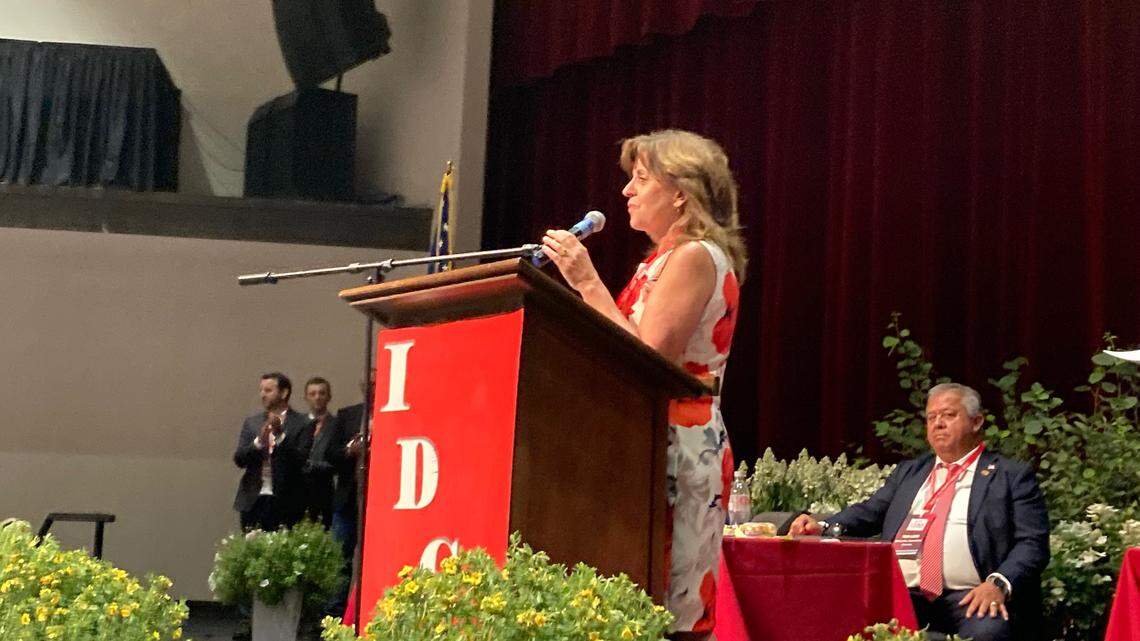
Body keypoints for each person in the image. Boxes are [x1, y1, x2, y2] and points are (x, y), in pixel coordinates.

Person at [542, 129, 746, 639]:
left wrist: (587, 283)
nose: (626, 192)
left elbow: (648, 360)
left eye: (640, 179)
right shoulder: (659, 261)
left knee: (668, 615)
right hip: (643, 440)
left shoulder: (695, 256)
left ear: (680, 191)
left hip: (678, 442)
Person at [788, 383, 1050, 641]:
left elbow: (1032, 544)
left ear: (977, 421)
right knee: (840, 621)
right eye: (931, 417)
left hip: (972, 594)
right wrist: (822, 526)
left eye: (949, 415)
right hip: (905, 594)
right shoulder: (911, 473)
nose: (938, 424)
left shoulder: (1010, 476)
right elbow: (870, 511)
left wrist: (998, 583)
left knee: (987, 633)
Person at [231, 372, 314, 531]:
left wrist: (280, 435)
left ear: (284, 393)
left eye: (268, 391)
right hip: (253, 500)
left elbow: (300, 461)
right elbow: (239, 459)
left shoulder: (303, 423)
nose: (262, 395)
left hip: (286, 501)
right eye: (261, 390)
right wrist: (257, 443)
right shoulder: (252, 422)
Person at [301, 376, 339, 527]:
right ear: (306, 397)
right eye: (313, 394)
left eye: (322, 393)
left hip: (324, 492)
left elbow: (337, 460)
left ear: (328, 396)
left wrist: (311, 466)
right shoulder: (297, 423)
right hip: (298, 492)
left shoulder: (338, 425)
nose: (317, 397)